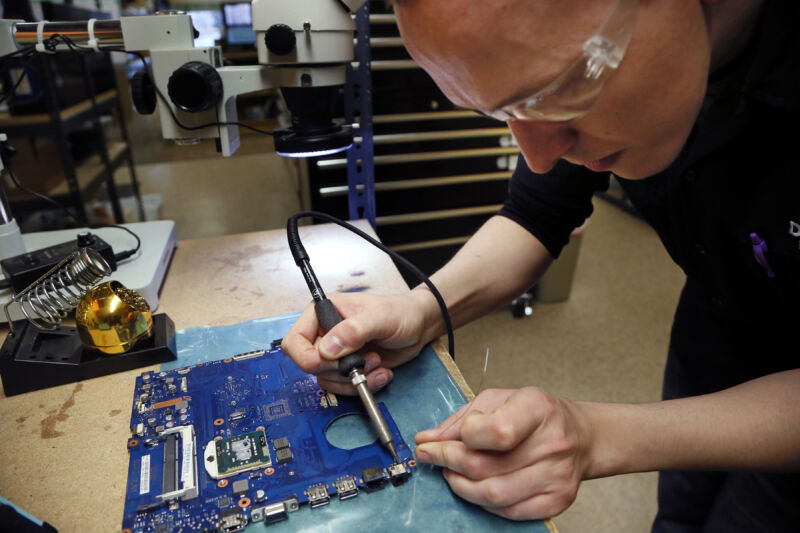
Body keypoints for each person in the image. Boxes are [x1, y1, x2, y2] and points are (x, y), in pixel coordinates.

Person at [282, 0, 800, 530]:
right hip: (719, 319)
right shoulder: (623, 64)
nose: (539, 156)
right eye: (503, 113)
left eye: (555, 93)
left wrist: (598, 436)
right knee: (682, 515)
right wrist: (420, 311)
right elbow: (537, 215)